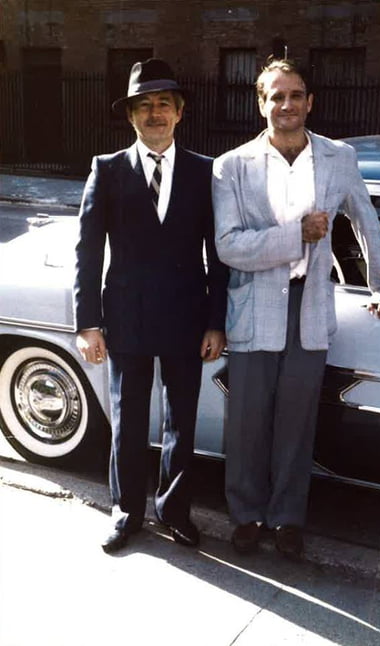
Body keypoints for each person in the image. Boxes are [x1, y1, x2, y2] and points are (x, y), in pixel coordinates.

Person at [212, 58, 380, 561]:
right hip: (253, 308)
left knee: (297, 422)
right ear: (261, 104)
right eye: (276, 96)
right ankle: (247, 516)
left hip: (311, 307)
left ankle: (287, 520)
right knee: (248, 420)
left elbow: (365, 220)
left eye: (295, 95)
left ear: (310, 102)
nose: (287, 105)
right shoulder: (231, 166)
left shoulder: (338, 158)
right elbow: (229, 246)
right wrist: (296, 234)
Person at [73, 58, 228, 553]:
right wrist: (88, 324)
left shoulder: (207, 172)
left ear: (180, 113)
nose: (154, 114)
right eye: (144, 106)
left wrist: (215, 322)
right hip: (127, 317)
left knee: (181, 419)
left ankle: (175, 510)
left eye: (163, 104)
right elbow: (88, 250)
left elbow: (219, 254)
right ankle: (126, 512)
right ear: (131, 117)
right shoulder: (108, 169)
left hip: (187, 317)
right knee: (129, 418)